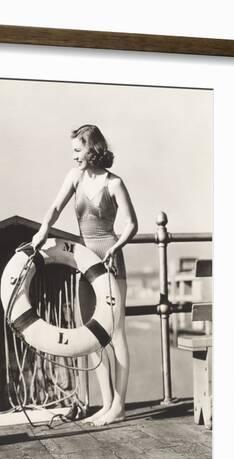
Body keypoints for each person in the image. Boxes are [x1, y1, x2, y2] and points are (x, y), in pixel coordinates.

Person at [31, 124, 138, 426]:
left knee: (116, 334)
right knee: (93, 335)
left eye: (78, 149)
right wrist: (42, 231)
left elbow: (131, 224)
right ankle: (106, 404)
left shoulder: (114, 183)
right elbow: (54, 206)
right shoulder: (74, 178)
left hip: (110, 261)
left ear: (93, 150)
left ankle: (119, 405)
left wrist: (116, 247)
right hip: (84, 262)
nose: (74, 155)